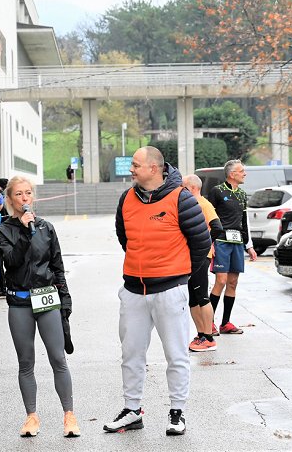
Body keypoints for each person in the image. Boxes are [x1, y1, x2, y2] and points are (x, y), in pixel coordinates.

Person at [106, 147, 210, 436]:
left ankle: (177, 412)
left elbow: (201, 243)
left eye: (136, 165)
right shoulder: (126, 198)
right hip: (133, 291)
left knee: (176, 355)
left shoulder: (182, 199)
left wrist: (177, 273)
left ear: (154, 168)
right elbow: (125, 238)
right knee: (131, 354)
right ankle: (132, 410)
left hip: (170, 290)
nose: (131, 169)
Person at [0, 176, 80, 438]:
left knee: (58, 358)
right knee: (26, 361)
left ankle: (69, 415)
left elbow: (57, 266)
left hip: (47, 297)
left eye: (28, 193)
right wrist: (24, 231)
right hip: (20, 301)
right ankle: (31, 416)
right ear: (10, 199)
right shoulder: (2, 230)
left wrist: (65, 299)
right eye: (18, 194)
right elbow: (11, 261)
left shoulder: (46, 227)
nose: (24, 198)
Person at [207, 159, 257, 336]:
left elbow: (245, 221)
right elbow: (208, 217)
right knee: (220, 281)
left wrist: (249, 246)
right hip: (221, 240)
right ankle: (208, 323)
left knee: (233, 283)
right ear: (231, 174)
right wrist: (209, 242)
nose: (245, 174)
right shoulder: (217, 191)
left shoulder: (242, 194)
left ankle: (225, 323)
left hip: (237, 242)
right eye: (241, 171)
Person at [181, 174, 223, 352]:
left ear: (193, 188)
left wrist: (203, 245)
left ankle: (208, 337)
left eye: (183, 187)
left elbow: (217, 227)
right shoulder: (189, 204)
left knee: (201, 296)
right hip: (189, 257)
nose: (181, 190)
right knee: (192, 298)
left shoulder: (204, 204)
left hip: (201, 256)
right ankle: (200, 335)